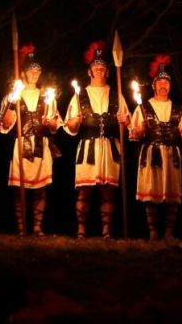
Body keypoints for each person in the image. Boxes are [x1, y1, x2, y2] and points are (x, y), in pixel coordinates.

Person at [64, 41, 129, 239]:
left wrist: (125, 121)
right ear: (89, 71)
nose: (99, 71)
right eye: (96, 68)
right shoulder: (79, 95)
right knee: (85, 191)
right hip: (88, 148)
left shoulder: (117, 95)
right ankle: (81, 231)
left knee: (108, 192)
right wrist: (75, 122)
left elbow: (128, 126)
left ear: (107, 72)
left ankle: (106, 231)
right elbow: (70, 127)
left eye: (102, 68)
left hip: (110, 147)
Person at [0, 44, 61, 237]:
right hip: (20, 145)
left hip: (42, 145)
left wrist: (50, 122)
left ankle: (36, 228)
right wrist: (12, 102)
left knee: (40, 190)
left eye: (38, 70)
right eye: (31, 70)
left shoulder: (47, 96)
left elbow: (55, 125)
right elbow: (5, 124)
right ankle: (21, 228)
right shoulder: (13, 96)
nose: (35, 73)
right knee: (19, 190)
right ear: (23, 72)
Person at [129, 54, 182, 240]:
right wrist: (140, 130)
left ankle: (169, 232)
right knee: (152, 191)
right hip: (151, 153)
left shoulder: (179, 109)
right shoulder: (143, 108)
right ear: (154, 85)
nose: (163, 85)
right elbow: (133, 135)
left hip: (172, 154)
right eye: (160, 82)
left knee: (172, 192)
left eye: (166, 82)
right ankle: (153, 232)